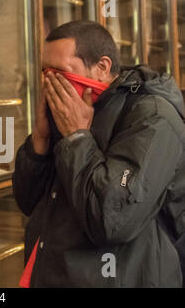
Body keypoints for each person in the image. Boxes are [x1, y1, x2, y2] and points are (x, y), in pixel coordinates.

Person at [13, 20, 184, 287]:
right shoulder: (73, 109)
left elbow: (113, 219)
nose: (50, 82)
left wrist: (77, 137)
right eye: (45, 72)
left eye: (60, 73)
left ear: (102, 67)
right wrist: (40, 139)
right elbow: (27, 202)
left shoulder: (153, 117)